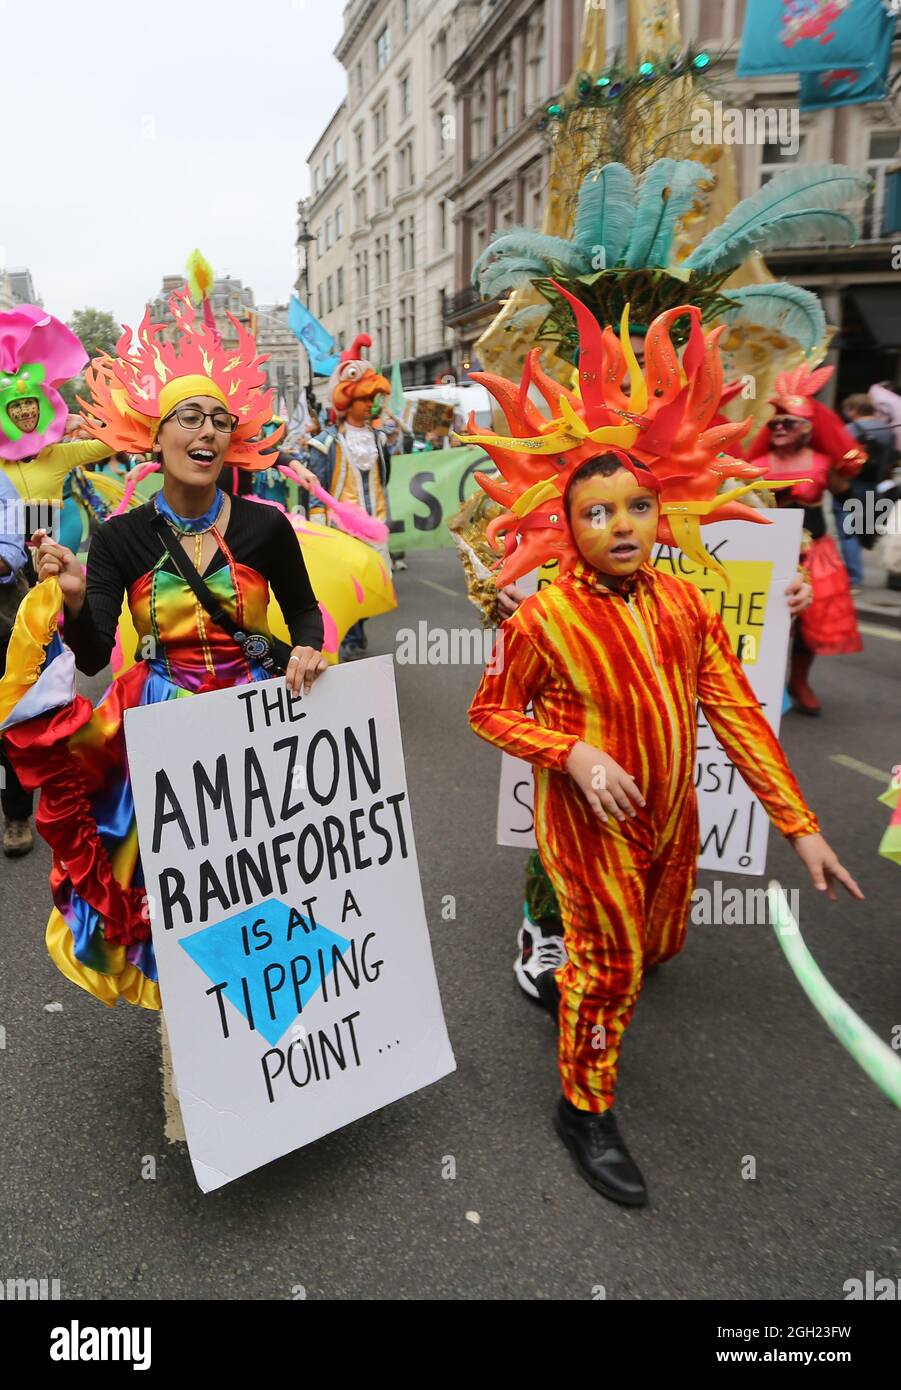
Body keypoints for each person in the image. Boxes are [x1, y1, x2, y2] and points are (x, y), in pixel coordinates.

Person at [469, 450, 862, 1207]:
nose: (619, 525)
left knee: (656, 946)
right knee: (611, 964)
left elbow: (737, 716)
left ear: (659, 516)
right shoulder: (544, 618)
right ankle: (582, 1110)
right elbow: (486, 712)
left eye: (636, 507)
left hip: (673, 817)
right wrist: (572, 753)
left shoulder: (686, 603)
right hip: (588, 829)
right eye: (596, 512)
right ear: (569, 524)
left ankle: (582, 981)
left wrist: (797, 826)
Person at [0, 287, 327, 1009]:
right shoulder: (121, 536)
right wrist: (81, 598)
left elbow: (304, 611)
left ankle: (273, 1016)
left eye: (219, 418)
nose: (206, 429)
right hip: (164, 725)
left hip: (257, 718)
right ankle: (201, 1023)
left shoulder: (266, 526)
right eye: (189, 416)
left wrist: (307, 649)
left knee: (265, 873)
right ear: (158, 438)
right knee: (182, 879)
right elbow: (90, 659)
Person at [745, 366, 865, 715]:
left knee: (809, 623)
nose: (779, 428)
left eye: (789, 423)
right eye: (774, 424)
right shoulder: (756, 464)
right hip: (767, 552)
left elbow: (850, 498)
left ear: (808, 428)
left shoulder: (825, 463)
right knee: (767, 621)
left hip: (816, 552)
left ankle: (799, 681)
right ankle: (760, 684)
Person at [302, 335, 391, 660]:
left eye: (373, 399)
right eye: (364, 399)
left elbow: (385, 477)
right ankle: (351, 636)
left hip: (375, 522)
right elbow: (315, 489)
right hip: (341, 527)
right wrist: (319, 530)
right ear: (347, 399)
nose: (370, 405)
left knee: (372, 579)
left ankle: (359, 628)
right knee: (348, 583)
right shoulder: (325, 443)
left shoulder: (379, 440)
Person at [0, 471, 31, 855]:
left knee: (9, 728)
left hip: (5, 620)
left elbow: (11, 556)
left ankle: (17, 813)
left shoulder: (3, 484)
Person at [836, 394, 898, 574]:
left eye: (848, 410)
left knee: (847, 530)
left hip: (850, 484)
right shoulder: (887, 430)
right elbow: (890, 458)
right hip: (874, 485)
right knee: (863, 526)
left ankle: (854, 574)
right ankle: (857, 566)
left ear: (854, 409)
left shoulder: (850, 429)